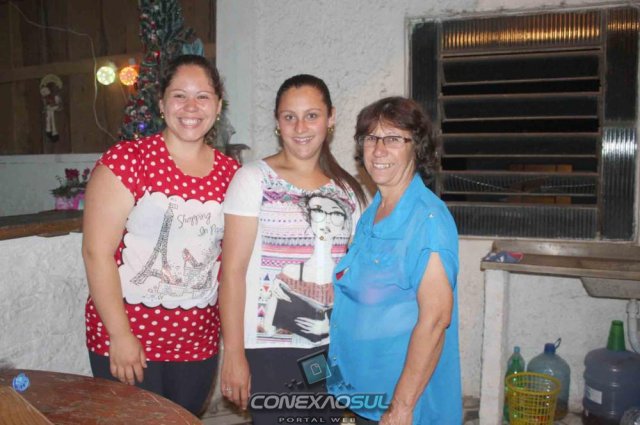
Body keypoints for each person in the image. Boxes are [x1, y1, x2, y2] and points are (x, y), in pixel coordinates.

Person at [82, 54, 239, 415]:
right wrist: (120, 335)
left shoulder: (232, 174)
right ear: (162, 104)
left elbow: (230, 261)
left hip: (197, 342)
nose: (191, 107)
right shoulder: (127, 161)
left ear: (218, 106)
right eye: (179, 95)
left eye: (202, 96)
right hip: (129, 336)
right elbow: (96, 253)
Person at [219, 74, 366, 424]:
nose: (301, 127)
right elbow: (232, 273)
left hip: (329, 351)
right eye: (290, 117)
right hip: (269, 350)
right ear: (277, 122)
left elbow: (354, 278)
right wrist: (234, 354)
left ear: (330, 118)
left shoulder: (349, 191)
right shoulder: (253, 179)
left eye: (312, 115)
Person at [327, 97, 462, 425]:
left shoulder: (428, 220)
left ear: (417, 147)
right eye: (370, 138)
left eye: (392, 139)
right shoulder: (374, 211)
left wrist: (401, 407)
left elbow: (435, 320)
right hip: (370, 394)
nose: (378, 150)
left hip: (403, 406)